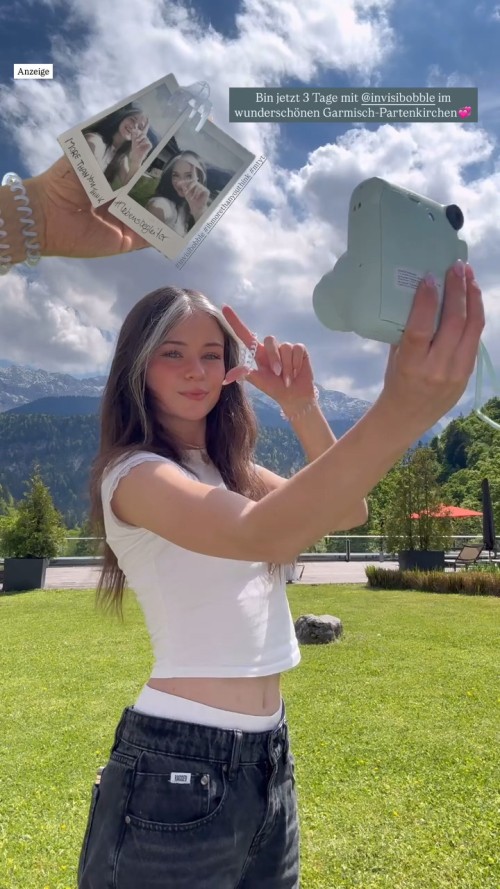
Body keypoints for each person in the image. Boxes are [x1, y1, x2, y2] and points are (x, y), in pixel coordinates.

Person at [0, 158, 485, 888]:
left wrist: (302, 406)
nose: (196, 371)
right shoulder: (133, 475)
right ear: (137, 369)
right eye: (172, 355)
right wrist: (402, 408)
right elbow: (264, 534)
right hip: (178, 764)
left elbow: (346, 509)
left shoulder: (228, 469)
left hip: (268, 758)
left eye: (210, 354)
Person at [82, 103, 157, 189]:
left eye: (140, 127)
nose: (134, 126)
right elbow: (91, 146)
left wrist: (137, 161)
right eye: (132, 119)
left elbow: (128, 187)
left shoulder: (121, 158)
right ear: (123, 117)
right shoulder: (95, 140)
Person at [146, 150, 212, 235]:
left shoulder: (188, 207)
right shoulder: (161, 204)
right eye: (176, 175)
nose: (180, 183)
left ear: (200, 179)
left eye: (189, 176)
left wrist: (199, 212)